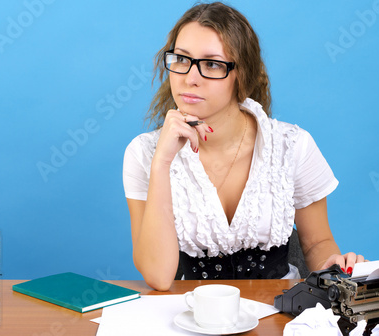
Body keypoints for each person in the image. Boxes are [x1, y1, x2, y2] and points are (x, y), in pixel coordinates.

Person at [123, 2, 364, 291]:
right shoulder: (144, 153)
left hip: (280, 314)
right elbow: (159, 277)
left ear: (242, 74)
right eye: (182, 59)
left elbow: (317, 243)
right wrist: (161, 163)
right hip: (193, 317)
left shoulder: (293, 146)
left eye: (212, 64)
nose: (190, 78)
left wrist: (332, 266)